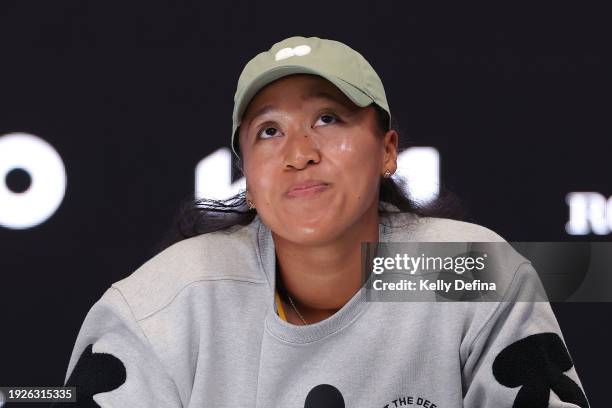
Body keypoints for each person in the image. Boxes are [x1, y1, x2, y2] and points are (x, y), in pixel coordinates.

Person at [58, 36, 589, 407]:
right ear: (245, 169)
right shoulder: (162, 304)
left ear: (387, 151)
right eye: (269, 130)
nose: (298, 152)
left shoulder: (467, 274)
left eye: (328, 118)